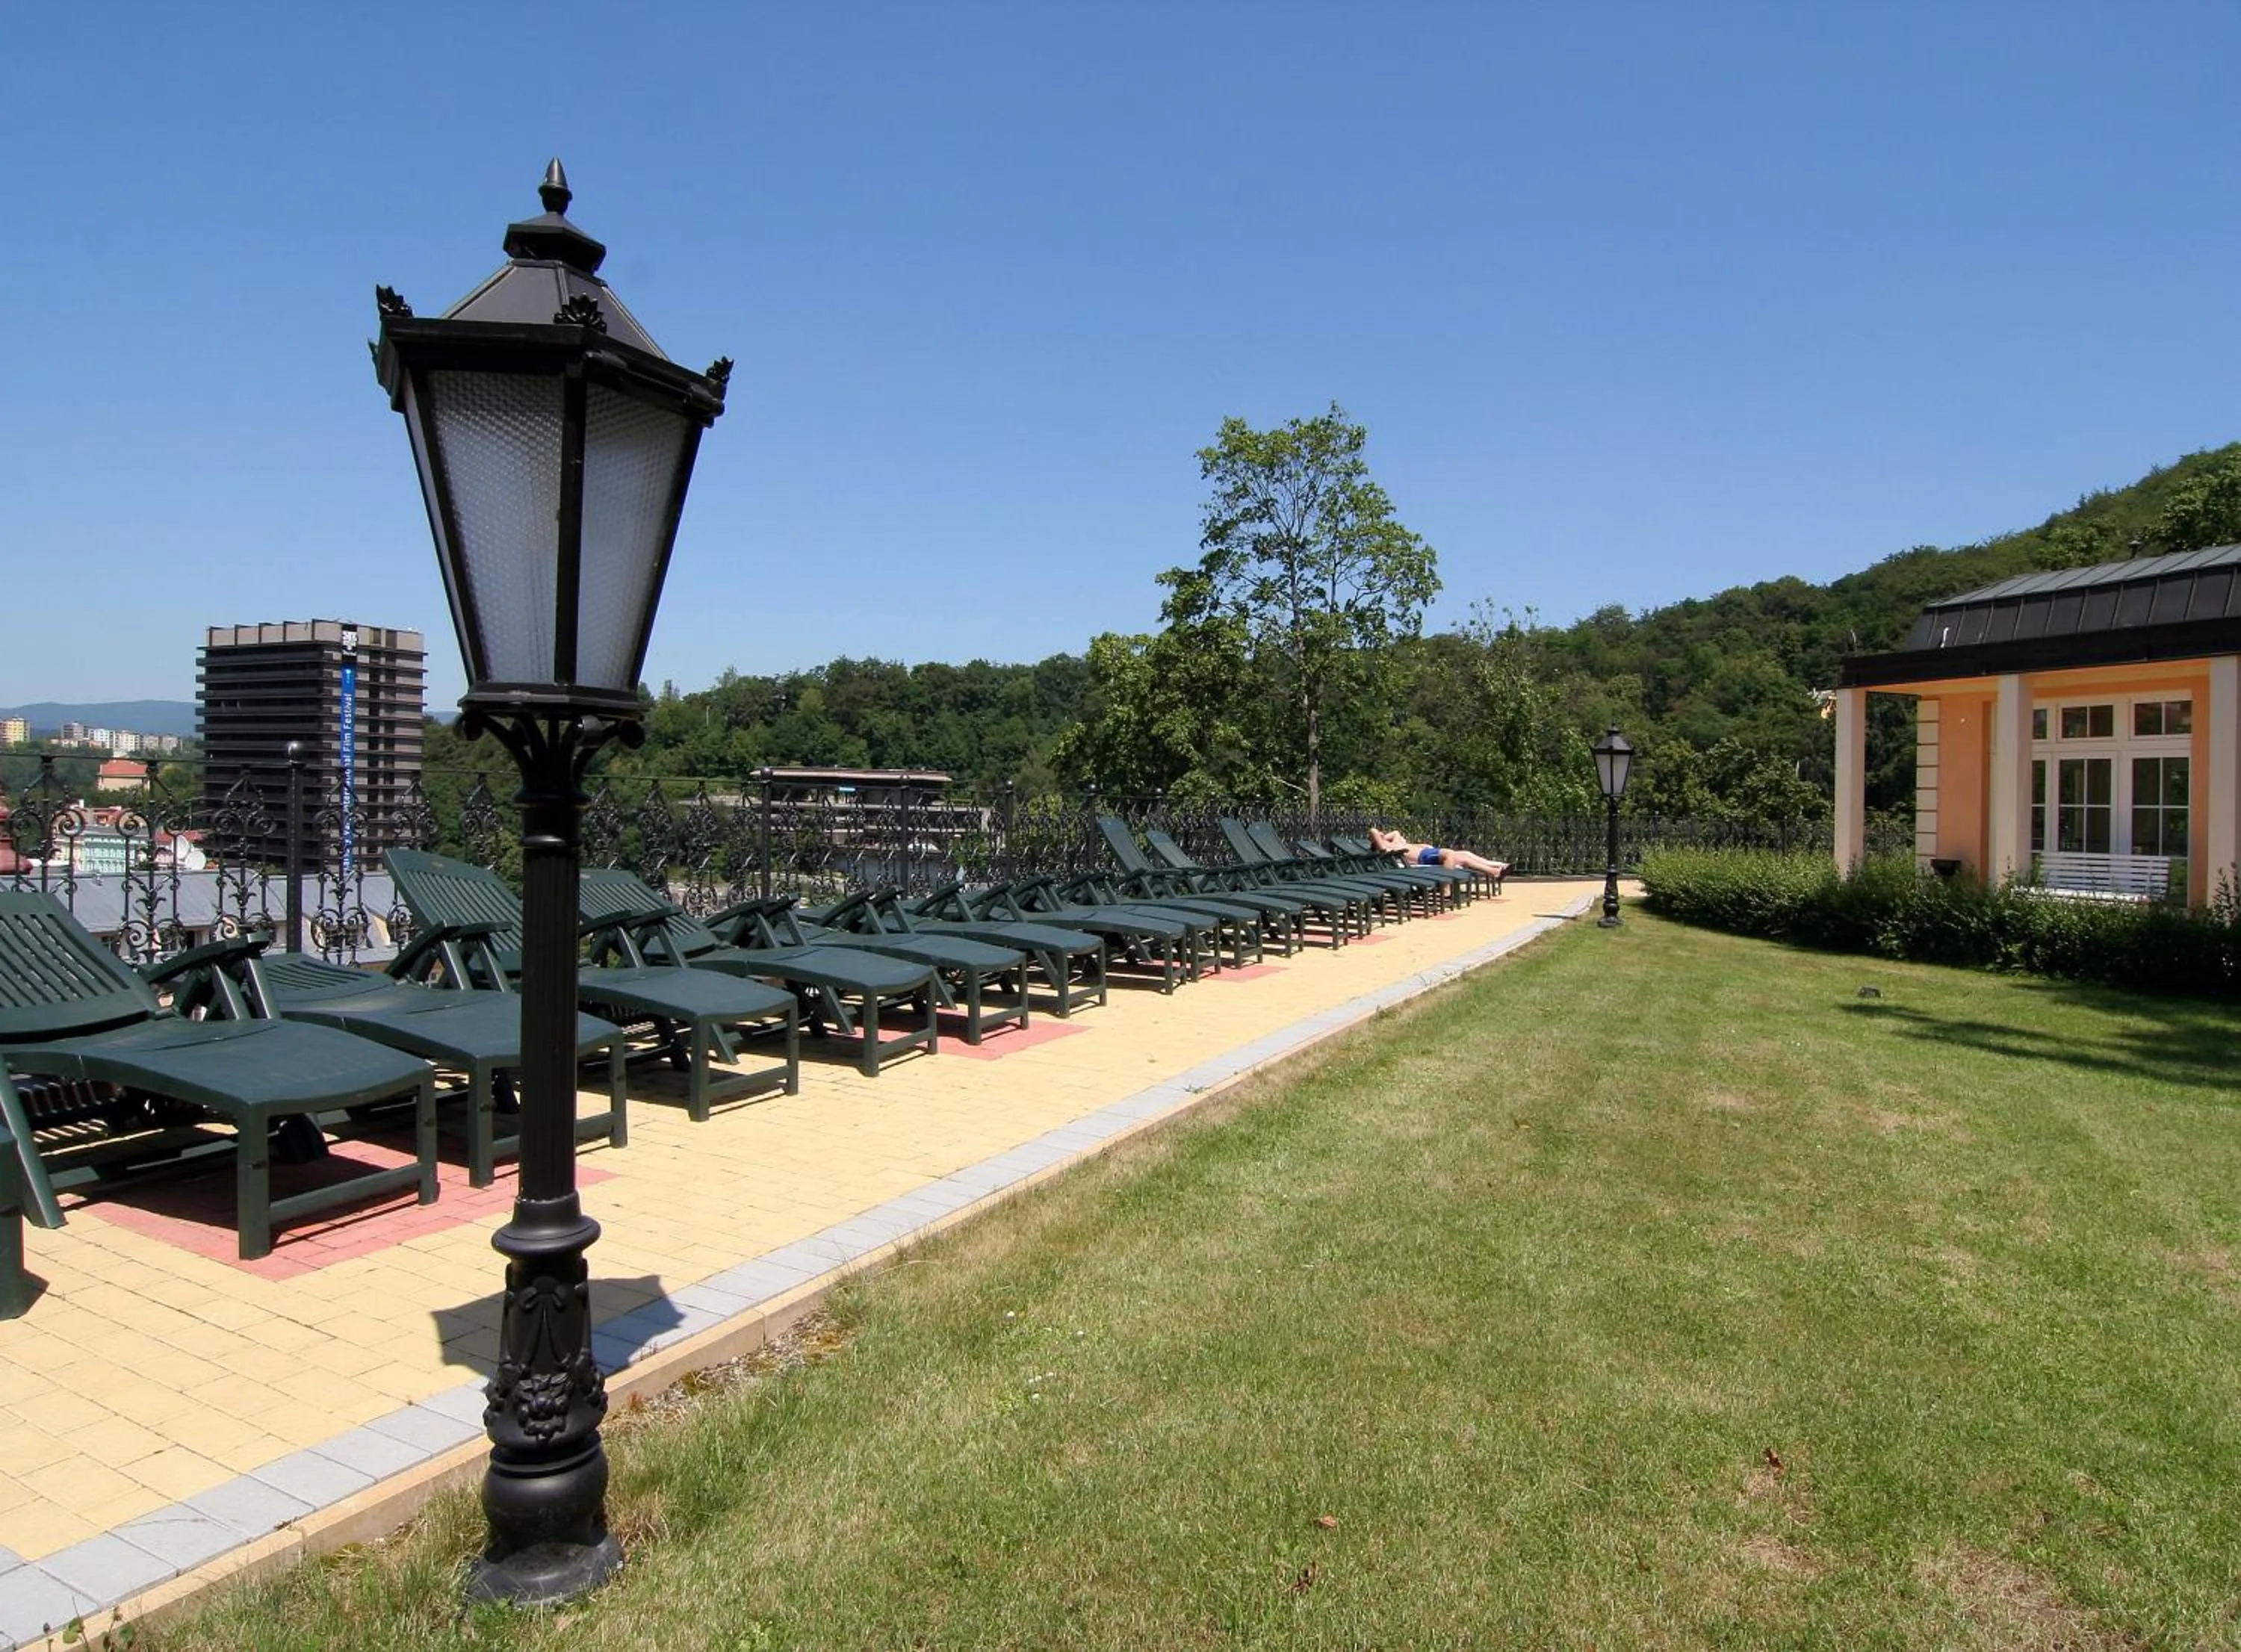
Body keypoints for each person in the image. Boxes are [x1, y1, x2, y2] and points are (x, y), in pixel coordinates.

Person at [1369, 826, 1508, 879]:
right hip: (1424, 857)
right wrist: (1379, 838)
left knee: (1465, 855)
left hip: (1429, 852)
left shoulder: (1394, 842)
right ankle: (1446, 886)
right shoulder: (1386, 849)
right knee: (1451, 854)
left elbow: (1396, 832)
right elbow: (1373, 831)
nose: (1381, 832)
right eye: (1379, 836)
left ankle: (1497, 868)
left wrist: (1384, 837)